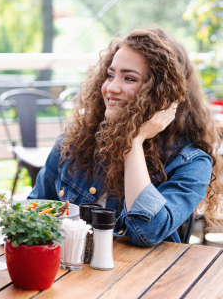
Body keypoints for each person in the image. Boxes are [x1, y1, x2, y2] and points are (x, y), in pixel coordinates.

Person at [29, 27, 223, 246]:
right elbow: (36, 211)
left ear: (163, 92)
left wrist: (134, 141)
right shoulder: (74, 142)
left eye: (129, 78)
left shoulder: (191, 163)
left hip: (145, 278)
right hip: (71, 272)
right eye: (110, 75)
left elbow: (148, 230)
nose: (111, 87)